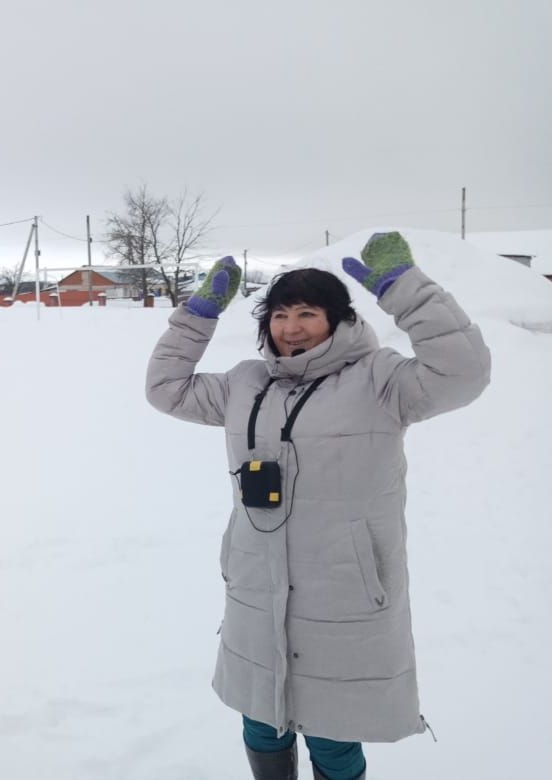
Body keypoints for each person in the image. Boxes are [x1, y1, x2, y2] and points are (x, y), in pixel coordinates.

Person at [145, 232, 490, 780]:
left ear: (339, 319)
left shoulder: (381, 379)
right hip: (257, 590)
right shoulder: (245, 383)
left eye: (308, 312)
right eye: (280, 314)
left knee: (332, 735)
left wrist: (408, 290)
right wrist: (199, 313)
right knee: (261, 722)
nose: (292, 327)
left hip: (344, 596)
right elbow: (165, 388)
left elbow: (463, 374)